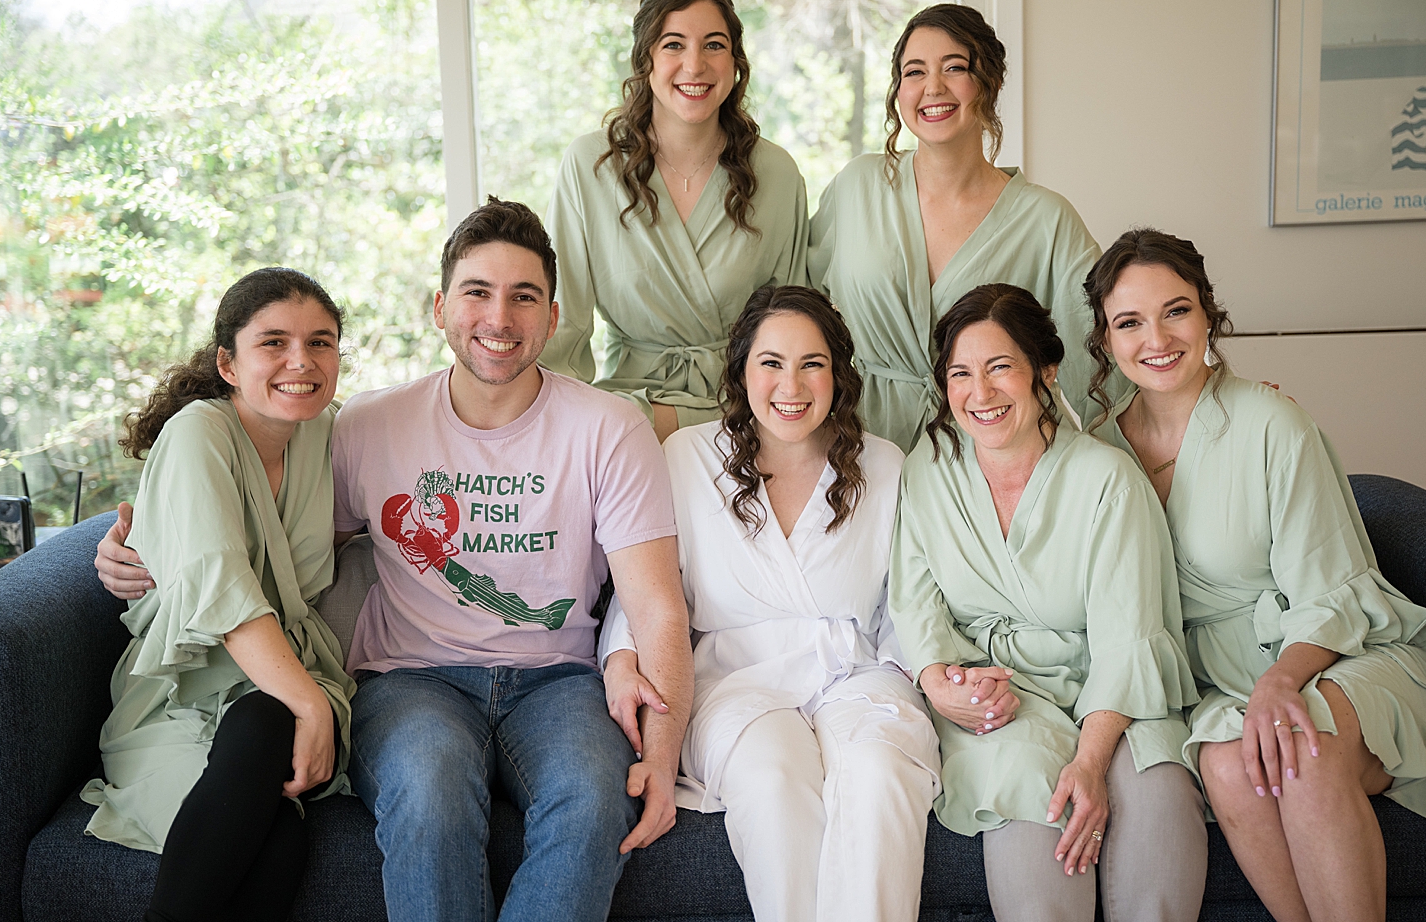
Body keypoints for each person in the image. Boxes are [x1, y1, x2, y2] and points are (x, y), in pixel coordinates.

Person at [96, 197, 696, 922]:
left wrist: (661, 755)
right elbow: (248, 526)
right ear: (440, 307)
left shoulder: (608, 426)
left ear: (554, 315)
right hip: (410, 681)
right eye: (477, 293)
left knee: (595, 802)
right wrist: (135, 543)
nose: (499, 319)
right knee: (429, 796)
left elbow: (658, 601)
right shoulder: (367, 427)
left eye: (523, 297)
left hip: (559, 682)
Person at [1083, 229, 1426, 922]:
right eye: (1130, 322)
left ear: (1208, 314)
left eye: (1175, 310)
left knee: (1301, 741)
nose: (1157, 337)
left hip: (1342, 654)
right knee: (1226, 765)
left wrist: (1278, 682)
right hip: (1221, 680)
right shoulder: (1096, 454)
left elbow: (1336, 594)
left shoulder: (1272, 422)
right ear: (1106, 341)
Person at [598, 286, 943, 922]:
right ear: (741, 371)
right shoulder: (686, 458)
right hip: (732, 680)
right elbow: (644, 583)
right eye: (771, 362)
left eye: (812, 363)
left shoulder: (886, 465)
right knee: (775, 781)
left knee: (876, 777)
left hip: (858, 674)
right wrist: (621, 656)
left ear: (838, 376)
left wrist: (925, 672)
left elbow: (911, 603)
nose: (792, 384)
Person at [888, 283, 1206, 922]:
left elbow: (1130, 634)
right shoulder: (928, 468)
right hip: (1002, 698)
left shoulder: (1106, 479)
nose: (980, 394)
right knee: (1040, 802)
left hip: (1116, 696)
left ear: (1046, 371)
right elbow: (913, 598)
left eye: (1000, 367)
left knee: (1159, 797)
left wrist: (1092, 759)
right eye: (961, 374)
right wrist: (935, 680)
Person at [82, 268, 355, 922]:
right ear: (228, 363)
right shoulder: (199, 433)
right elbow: (221, 591)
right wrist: (312, 707)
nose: (302, 361)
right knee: (275, 824)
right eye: (274, 343)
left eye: (321, 342)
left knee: (271, 769)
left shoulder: (332, 434)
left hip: (284, 680)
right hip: (181, 689)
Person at [808, 4, 1123, 453]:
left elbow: (1101, 367)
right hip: (865, 448)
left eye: (955, 67)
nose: (932, 87)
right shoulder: (855, 187)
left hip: (993, 452)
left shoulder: (1045, 219)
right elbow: (798, 313)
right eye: (914, 72)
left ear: (988, 84)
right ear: (898, 90)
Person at [542, 0, 808, 443]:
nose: (695, 65)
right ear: (645, 58)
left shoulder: (777, 174)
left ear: (735, 60)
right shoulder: (591, 166)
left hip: (747, 420)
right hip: (626, 416)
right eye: (673, 45)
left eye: (713, 45)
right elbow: (564, 325)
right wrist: (561, 434)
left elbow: (792, 330)